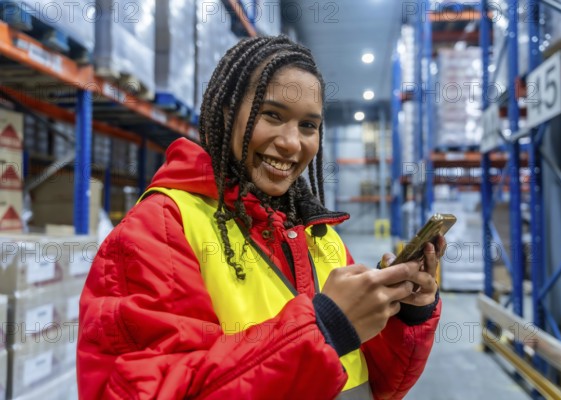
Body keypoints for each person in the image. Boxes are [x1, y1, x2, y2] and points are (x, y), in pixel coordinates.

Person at [77, 35, 445, 399]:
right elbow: (148, 390)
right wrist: (324, 329)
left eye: (308, 126)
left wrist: (408, 315)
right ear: (227, 113)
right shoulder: (160, 230)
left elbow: (371, 384)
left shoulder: (320, 237)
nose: (291, 142)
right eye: (271, 115)